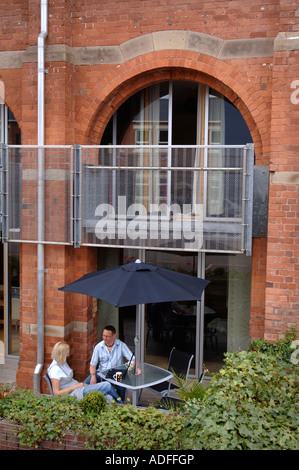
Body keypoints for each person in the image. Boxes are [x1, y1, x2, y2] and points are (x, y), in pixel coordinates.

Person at [48, 341, 122, 403]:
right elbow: (56, 393)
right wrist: (76, 386)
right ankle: (122, 405)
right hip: (75, 394)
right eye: (67, 351)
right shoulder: (55, 370)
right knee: (107, 385)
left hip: (79, 388)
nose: (69, 352)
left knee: (108, 397)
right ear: (62, 353)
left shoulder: (62, 362)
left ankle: (118, 410)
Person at [84, 325, 140, 401]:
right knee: (86, 382)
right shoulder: (99, 347)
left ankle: (120, 403)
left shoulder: (121, 345)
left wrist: (137, 368)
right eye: (103, 335)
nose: (104, 338)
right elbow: (92, 365)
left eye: (107, 336)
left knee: (122, 386)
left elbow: (133, 359)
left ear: (114, 336)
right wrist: (93, 376)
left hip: (117, 373)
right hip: (102, 373)